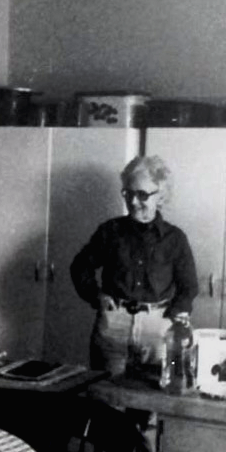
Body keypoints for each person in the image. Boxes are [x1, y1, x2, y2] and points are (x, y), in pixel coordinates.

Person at [70, 154, 199, 378]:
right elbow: (80, 266)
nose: (133, 202)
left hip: (158, 326)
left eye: (142, 195)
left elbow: (189, 287)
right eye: (128, 193)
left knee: (153, 401)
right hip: (114, 324)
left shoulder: (175, 239)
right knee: (107, 398)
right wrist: (95, 295)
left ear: (161, 196)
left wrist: (175, 314)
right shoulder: (110, 231)